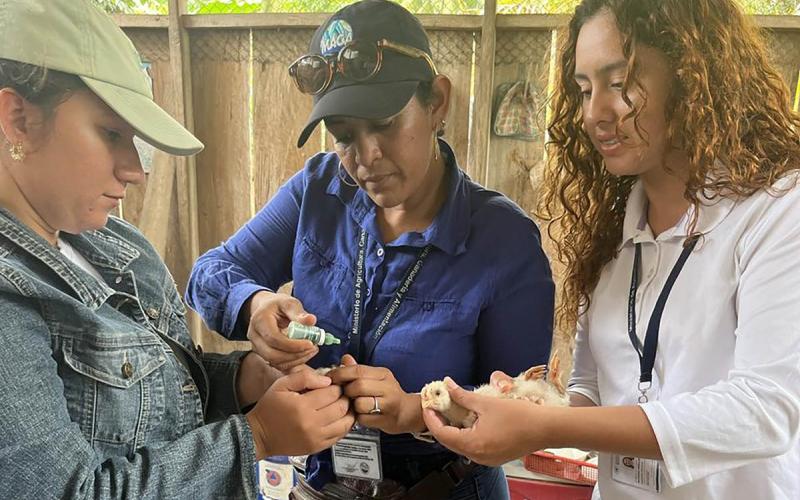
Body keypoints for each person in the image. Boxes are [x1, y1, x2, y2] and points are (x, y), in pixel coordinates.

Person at [422, 0, 800, 499]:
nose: (596, 113)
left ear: (692, 76)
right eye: (584, 90)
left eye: (620, 83)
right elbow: (592, 395)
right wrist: (525, 405)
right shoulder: (610, 235)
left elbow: (766, 411)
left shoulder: (777, 209)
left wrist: (551, 429)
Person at [185, 0, 555, 497]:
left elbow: (525, 411)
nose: (366, 157)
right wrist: (253, 304)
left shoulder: (503, 240)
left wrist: (414, 412)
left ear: (437, 103)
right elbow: (209, 273)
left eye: (383, 124)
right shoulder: (316, 192)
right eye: (344, 136)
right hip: (320, 484)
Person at [0, 1, 355, 498]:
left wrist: (250, 378)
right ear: (18, 118)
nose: (134, 169)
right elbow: (70, 491)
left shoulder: (114, 245)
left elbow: (162, 397)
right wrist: (257, 437)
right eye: (110, 133)